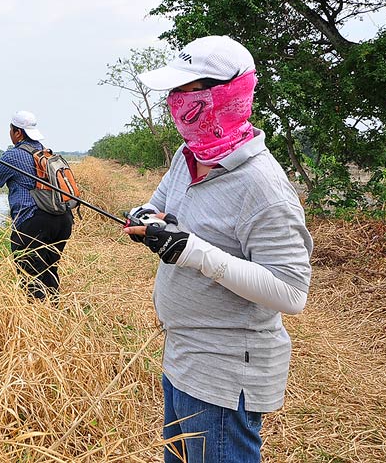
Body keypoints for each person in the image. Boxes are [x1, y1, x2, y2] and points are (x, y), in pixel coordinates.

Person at [121, 36, 313, 463]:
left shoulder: (263, 187)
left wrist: (191, 251)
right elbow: (163, 204)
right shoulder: (187, 155)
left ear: (223, 95)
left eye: (185, 93)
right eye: (172, 94)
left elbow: (291, 293)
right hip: (181, 354)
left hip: (224, 371)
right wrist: (147, 216)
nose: (174, 103)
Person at [0, 110, 73, 302]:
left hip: (33, 222)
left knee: (30, 274)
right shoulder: (43, 151)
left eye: (11, 130)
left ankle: (36, 319)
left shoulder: (14, 155)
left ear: (18, 132)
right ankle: (53, 313)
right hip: (61, 220)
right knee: (49, 268)